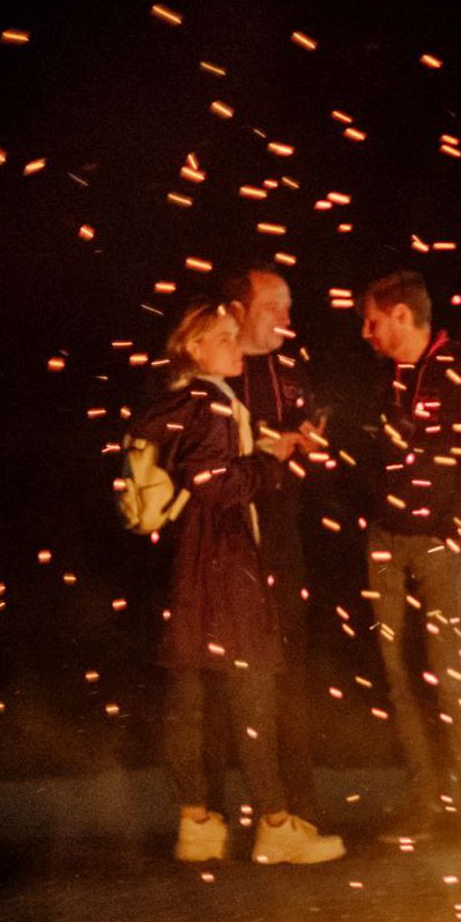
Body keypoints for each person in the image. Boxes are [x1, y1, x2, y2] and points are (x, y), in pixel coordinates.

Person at [131, 299, 345, 865]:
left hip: (188, 568)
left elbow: (205, 475)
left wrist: (269, 447)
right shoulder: (213, 406)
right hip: (223, 566)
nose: (236, 348)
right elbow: (217, 486)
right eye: (224, 338)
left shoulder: (181, 403)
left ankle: (197, 824)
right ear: (195, 349)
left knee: (190, 698)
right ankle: (275, 826)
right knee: (253, 695)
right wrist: (271, 463)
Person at [356, 271, 461, 829]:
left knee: (447, 670)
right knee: (396, 674)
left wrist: (460, 525)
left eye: (372, 321)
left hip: (444, 542)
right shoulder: (382, 378)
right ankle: (426, 799)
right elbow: (368, 450)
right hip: (385, 540)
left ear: (401, 316)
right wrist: (372, 505)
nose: (366, 333)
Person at [225, 268, 326, 827]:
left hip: (283, 535)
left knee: (290, 668)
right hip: (227, 540)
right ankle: (225, 807)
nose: (287, 320)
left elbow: (316, 419)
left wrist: (308, 438)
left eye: (289, 306)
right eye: (274, 307)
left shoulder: (289, 365)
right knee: (232, 676)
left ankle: (300, 805)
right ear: (238, 311)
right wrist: (263, 451)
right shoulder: (213, 366)